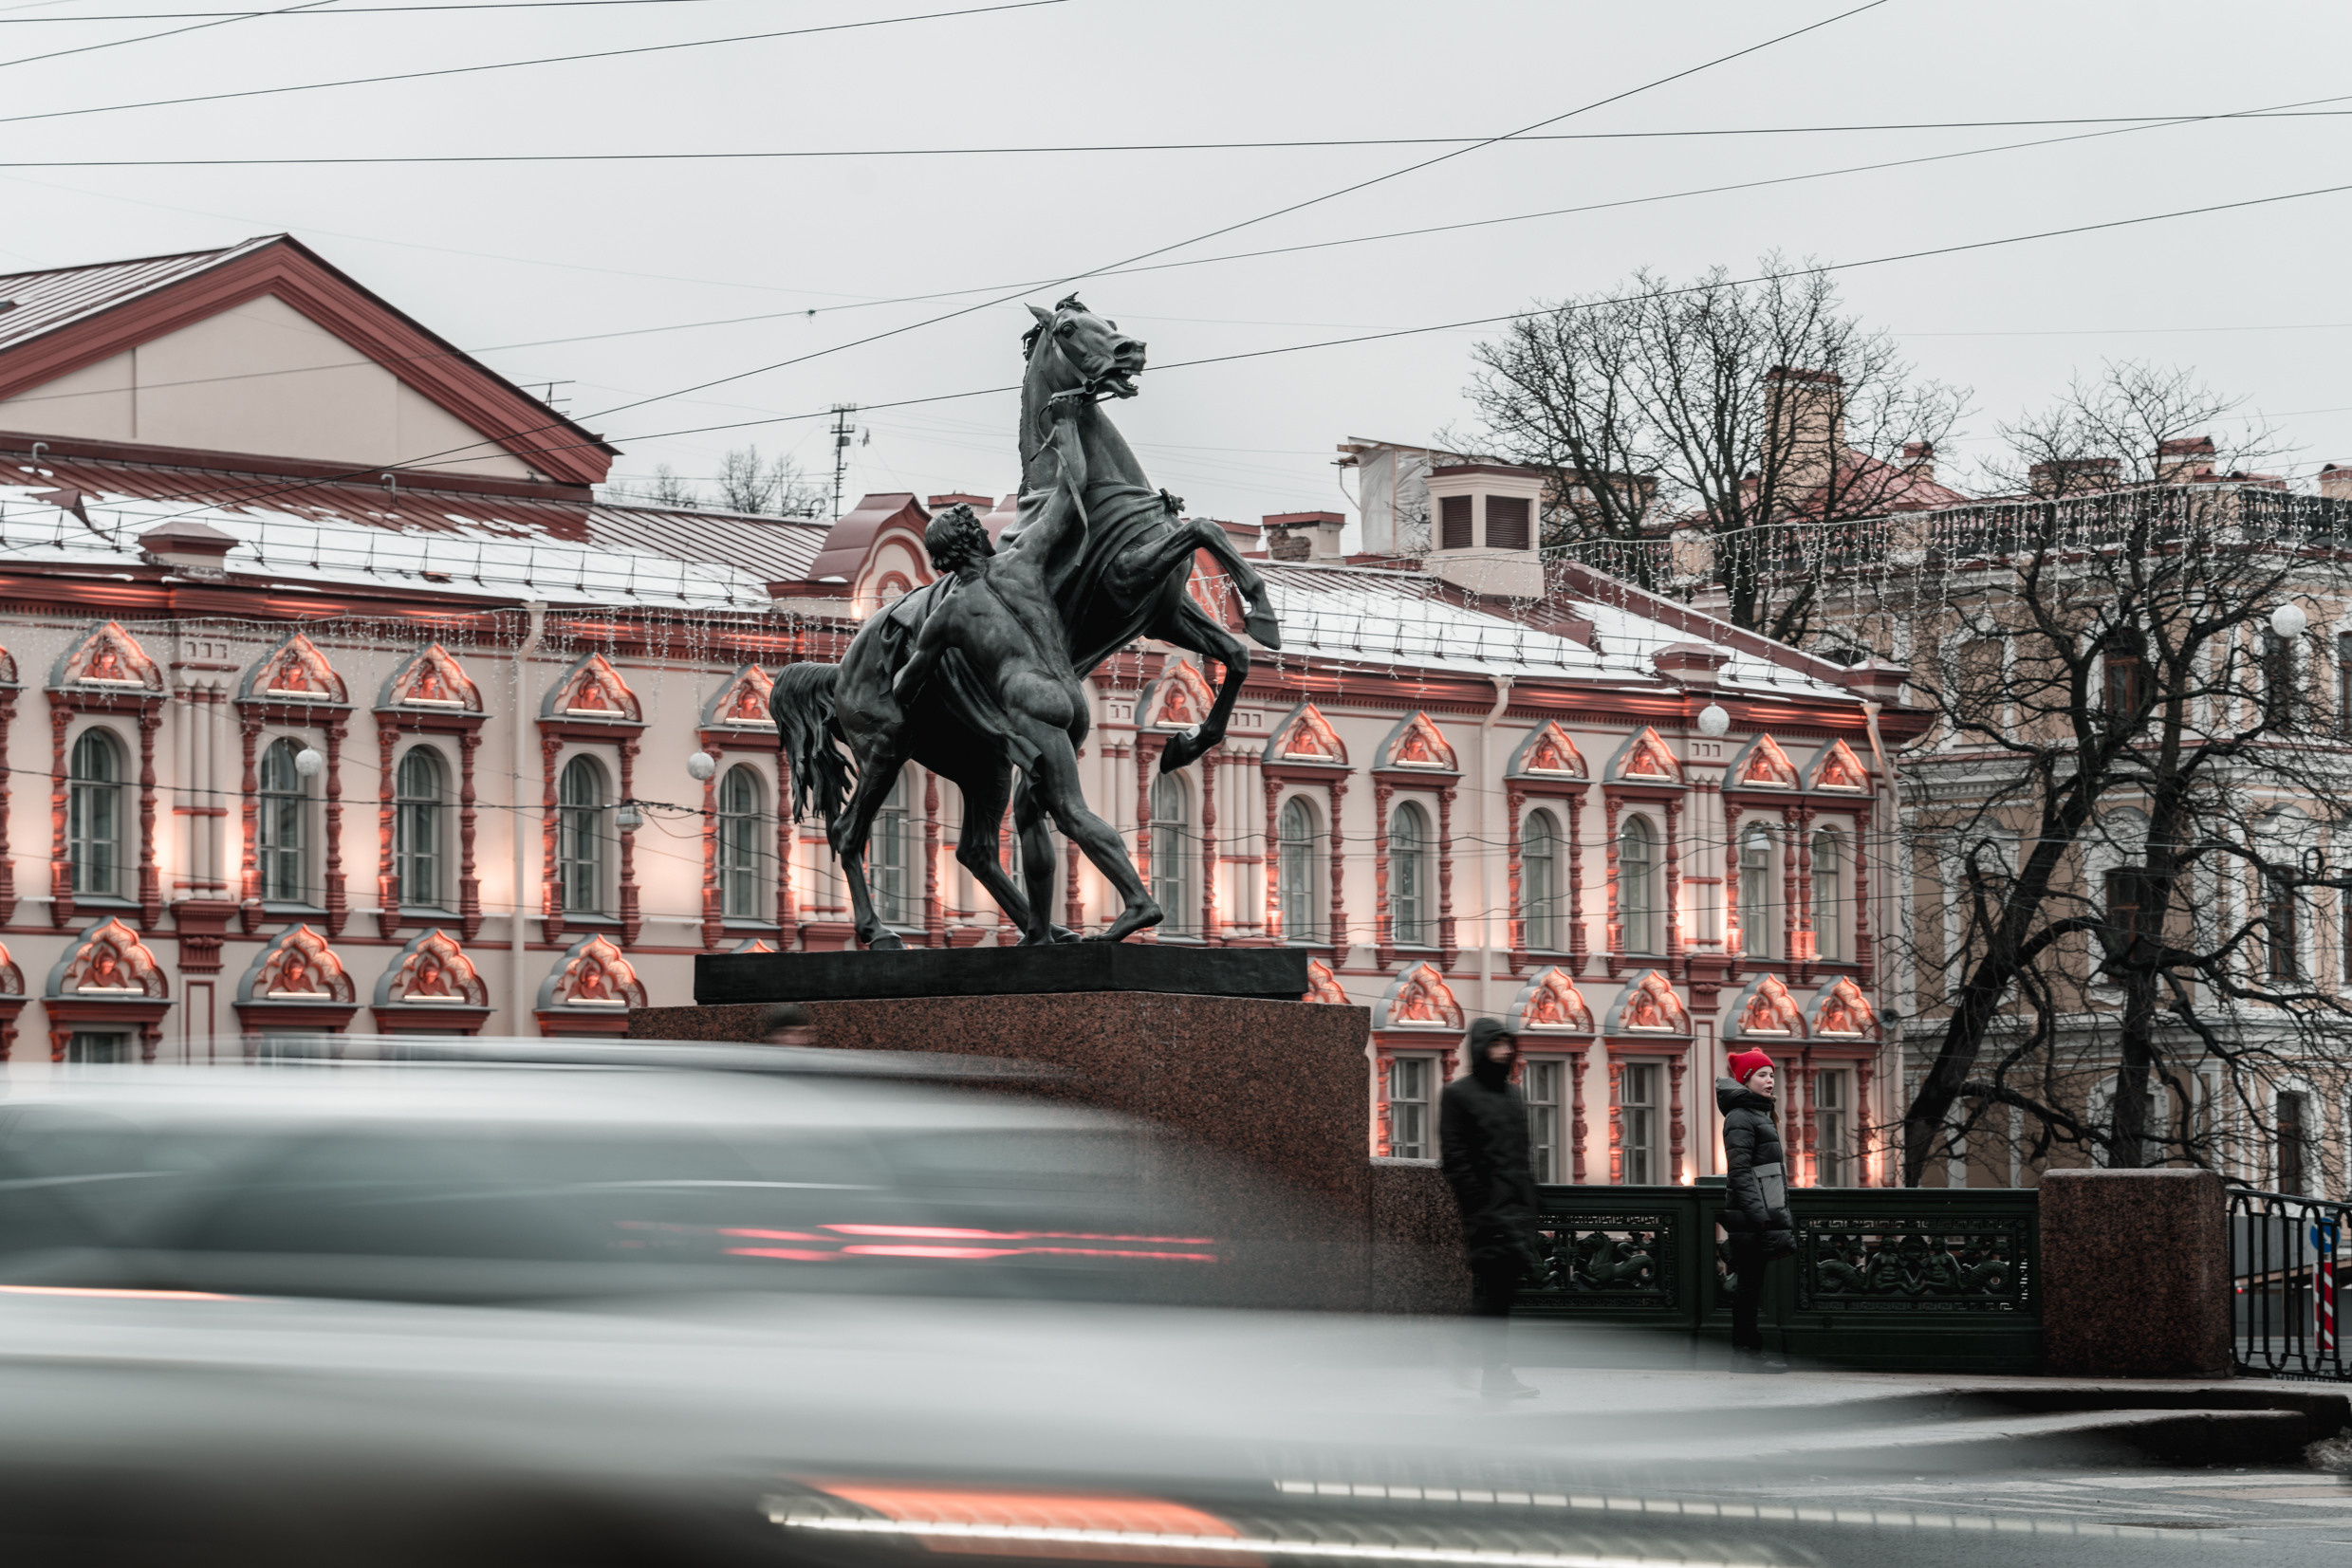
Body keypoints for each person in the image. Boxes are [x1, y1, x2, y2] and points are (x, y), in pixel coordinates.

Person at [1439, 1017, 1543, 1401]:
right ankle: (1482, 1361)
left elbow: (1521, 1154)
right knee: (1496, 1292)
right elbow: (1456, 1159)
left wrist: (1530, 1202)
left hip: (1517, 1209)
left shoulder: (1513, 1094)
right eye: (1495, 1045)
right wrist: (1482, 1205)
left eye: (1507, 1045)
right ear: (1480, 1049)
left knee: (1502, 1292)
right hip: (1486, 1212)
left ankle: (1489, 1368)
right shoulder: (1458, 1094)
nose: (1504, 1052)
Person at [1719, 1047, 1795, 1374]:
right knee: (1748, 1288)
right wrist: (1761, 1215)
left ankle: (1748, 1354)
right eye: (1763, 1075)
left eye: (1772, 1075)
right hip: (1753, 1217)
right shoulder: (1742, 1117)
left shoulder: (1757, 1114)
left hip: (1758, 1214)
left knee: (1751, 1286)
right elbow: (1739, 1173)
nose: (1770, 1081)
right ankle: (1746, 1356)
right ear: (1746, 1079)